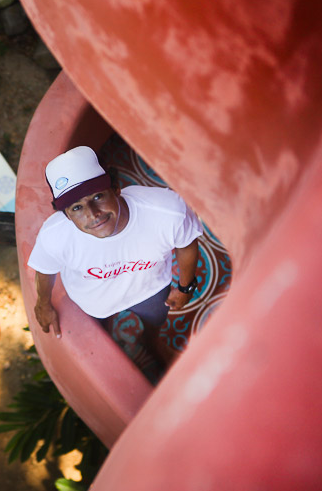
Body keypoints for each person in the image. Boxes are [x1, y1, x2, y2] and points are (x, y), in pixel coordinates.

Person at [27, 145, 203, 364]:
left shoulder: (167, 211)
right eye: (77, 208)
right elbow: (45, 270)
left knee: (155, 323)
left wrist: (186, 287)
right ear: (67, 215)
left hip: (150, 290)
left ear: (116, 188)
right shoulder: (54, 235)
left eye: (98, 196)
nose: (93, 214)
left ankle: (151, 343)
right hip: (92, 300)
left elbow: (187, 243)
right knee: (99, 327)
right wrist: (43, 303)